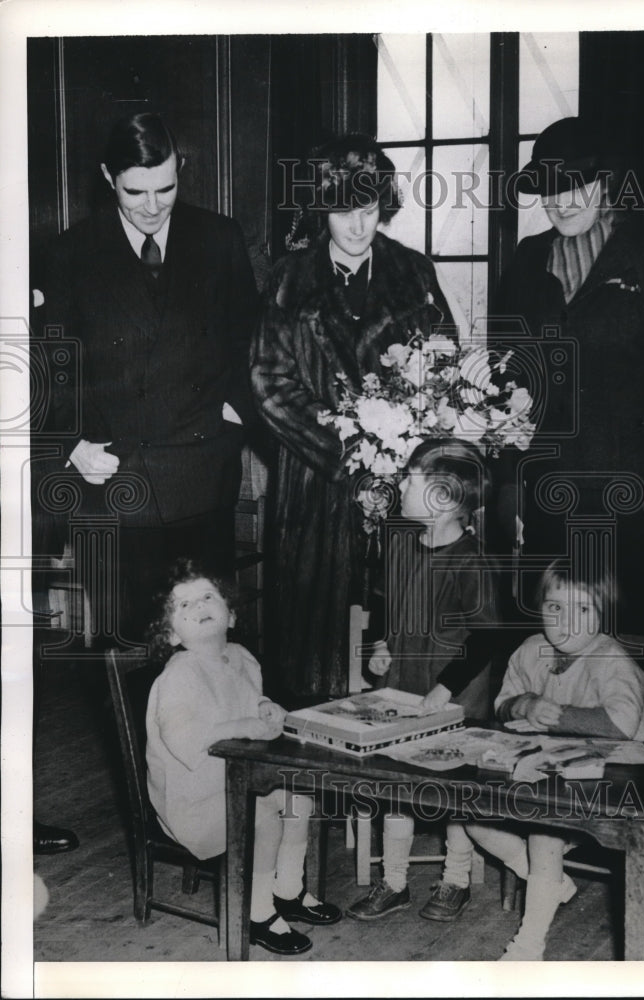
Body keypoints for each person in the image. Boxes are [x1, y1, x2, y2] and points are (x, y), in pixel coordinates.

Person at [490, 116, 644, 735]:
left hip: (636, 494)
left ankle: (639, 805)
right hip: (550, 492)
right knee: (548, 650)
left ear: (607, 182)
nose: (560, 201)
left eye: (576, 185)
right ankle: (542, 809)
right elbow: (506, 381)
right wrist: (511, 482)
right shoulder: (527, 259)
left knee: (639, 649)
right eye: (547, 187)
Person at [39, 112, 259, 642]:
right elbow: (49, 366)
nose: (154, 206)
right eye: (135, 192)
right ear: (107, 177)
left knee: (207, 638)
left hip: (202, 470)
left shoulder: (220, 238)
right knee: (130, 640)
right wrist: (73, 446)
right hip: (114, 478)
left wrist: (237, 412)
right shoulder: (69, 254)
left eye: (167, 187)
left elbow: (252, 343)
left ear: (179, 170)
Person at [251, 133, 455, 702]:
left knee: (397, 637)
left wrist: (399, 449)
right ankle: (306, 772)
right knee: (314, 642)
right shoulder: (290, 277)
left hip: (404, 484)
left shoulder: (414, 272)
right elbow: (269, 384)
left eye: (368, 210)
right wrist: (349, 450)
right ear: (323, 208)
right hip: (317, 484)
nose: (359, 226)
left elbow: (443, 366)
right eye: (343, 210)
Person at [443, 560, 644, 959]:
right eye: (555, 608)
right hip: (543, 775)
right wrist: (523, 704)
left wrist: (562, 715)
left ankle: (528, 945)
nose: (565, 621)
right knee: (469, 815)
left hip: (607, 785)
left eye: (582, 609)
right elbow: (501, 705)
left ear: (605, 615)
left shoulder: (611, 658)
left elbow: (624, 723)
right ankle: (547, 882)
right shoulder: (531, 649)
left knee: (543, 830)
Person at [145, 559, 341, 956]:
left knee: (299, 797)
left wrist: (266, 706)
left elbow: (251, 697)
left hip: (233, 781)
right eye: (183, 606)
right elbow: (185, 741)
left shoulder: (240, 657)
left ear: (230, 614)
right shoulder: (178, 676)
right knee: (266, 811)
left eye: (207, 597)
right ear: (169, 634)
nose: (198, 607)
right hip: (193, 800)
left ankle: (286, 888)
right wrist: (244, 726)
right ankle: (257, 911)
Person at [346, 439, 500, 922]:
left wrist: (445, 689)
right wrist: (380, 644)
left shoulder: (472, 561)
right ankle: (393, 883)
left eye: (411, 478)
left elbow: (486, 638)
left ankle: (455, 880)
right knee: (396, 786)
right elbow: (386, 608)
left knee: (452, 791)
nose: (399, 484)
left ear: (445, 497)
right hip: (404, 687)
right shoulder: (399, 543)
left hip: (454, 699)